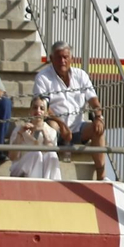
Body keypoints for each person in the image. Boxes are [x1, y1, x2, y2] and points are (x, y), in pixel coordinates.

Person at [34, 39, 105, 177]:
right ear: (51, 58)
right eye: (59, 57)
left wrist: (98, 117)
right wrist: (62, 125)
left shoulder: (81, 75)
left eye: (65, 57)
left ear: (71, 58)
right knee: (52, 126)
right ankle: (50, 171)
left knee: (99, 129)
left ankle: (101, 175)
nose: (62, 61)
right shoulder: (42, 77)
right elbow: (42, 107)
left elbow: (94, 100)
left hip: (78, 127)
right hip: (56, 126)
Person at [9, 94, 60, 179]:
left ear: (46, 113)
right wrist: (20, 134)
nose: (38, 111)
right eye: (35, 108)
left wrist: (44, 132)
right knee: (36, 154)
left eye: (42, 109)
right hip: (20, 170)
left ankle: (52, 186)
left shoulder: (51, 131)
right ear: (30, 111)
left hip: (44, 172)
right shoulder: (19, 129)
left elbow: (52, 153)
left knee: (52, 154)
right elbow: (12, 157)